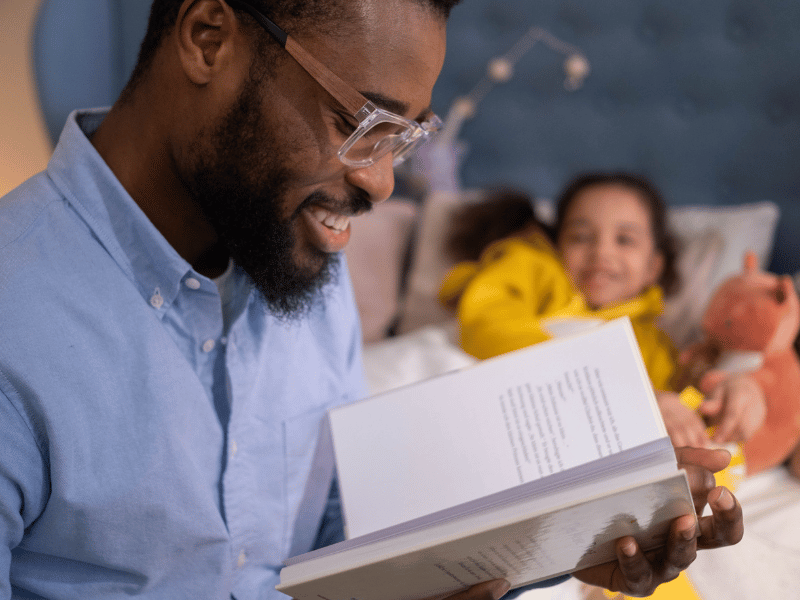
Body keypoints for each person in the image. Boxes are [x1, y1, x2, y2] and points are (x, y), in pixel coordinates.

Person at [0, 2, 743, 598]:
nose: (383, 183)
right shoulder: (18, 318)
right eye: (361, 123)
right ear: (207, 38)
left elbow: (335, 545)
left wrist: (559, 538)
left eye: (405, 138)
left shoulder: (299, 255)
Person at [440, 173, 766, 452]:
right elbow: (487, 325)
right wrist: (627, 392)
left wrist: (732, 391)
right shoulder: (533, 268)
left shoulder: (652, 343)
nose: (601, 252)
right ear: (556, 246)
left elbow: (678, 408)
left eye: (625, 240)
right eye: (581, 237)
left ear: (653, 267)